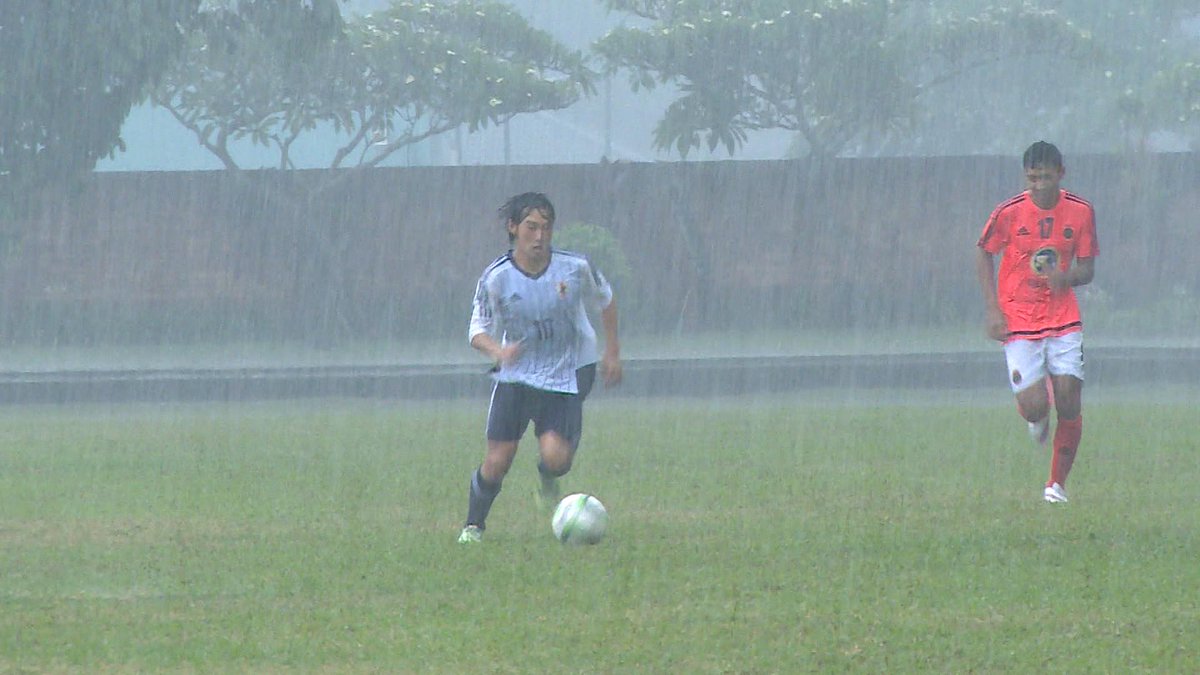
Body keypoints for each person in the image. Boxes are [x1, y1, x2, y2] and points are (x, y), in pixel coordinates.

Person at [458, 192, 622, 543]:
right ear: (513, 228)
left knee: (558, 459)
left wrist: (612, 352)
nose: (539, 236)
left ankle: (548, 475)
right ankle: (473, 527)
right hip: (516, 375)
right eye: (531, 227)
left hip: (569, 371)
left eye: (546, 228)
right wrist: (498, 351)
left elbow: (606, 300)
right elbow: (476, 330)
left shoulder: (575, 268)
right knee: (498, 460)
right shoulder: (496, 278)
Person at [976, 141, 1098, 504]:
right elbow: (983, 252)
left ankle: (1056, 486)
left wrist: (1068, 277)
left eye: (1046, 177)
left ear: (1061, 173)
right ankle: (1035, 415)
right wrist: (993, 309)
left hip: (1063, 318)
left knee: (1069, 398)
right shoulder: (1009, 213)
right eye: (1033, 178)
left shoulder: (1080, 212)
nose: (1039, 185)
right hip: (1019, 317)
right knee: (1035, 406)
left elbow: (1088, 269)